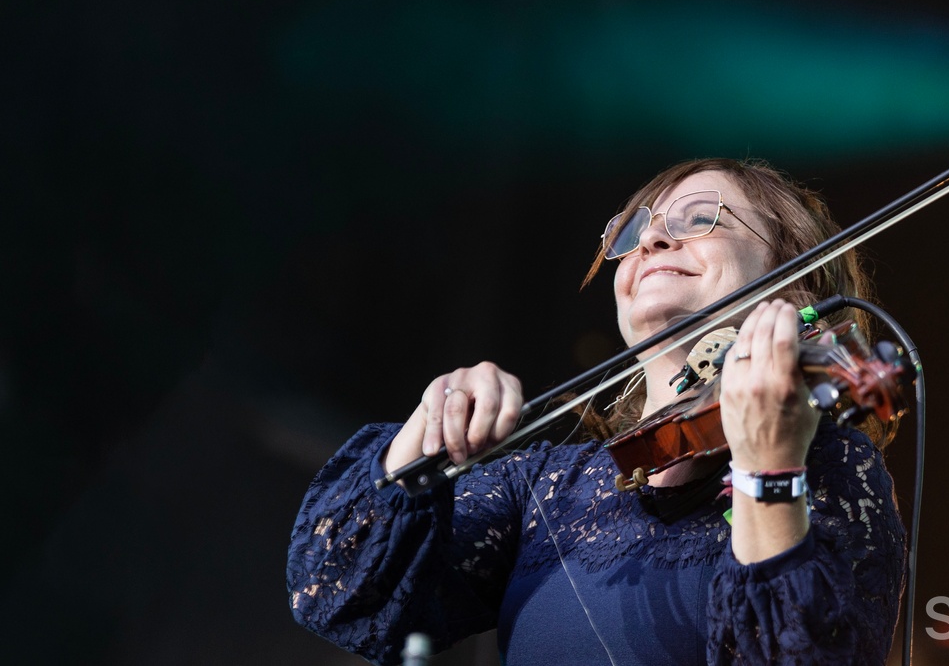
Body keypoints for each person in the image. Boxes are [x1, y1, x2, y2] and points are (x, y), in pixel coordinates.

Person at [286, 159, 907, 665]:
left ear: (790, 286)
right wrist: (429, 427)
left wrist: (770, 470)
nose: (656, 239)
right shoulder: (549, 486)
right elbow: (339, 595)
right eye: (634, 234)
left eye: (701, 219)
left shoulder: (828, 470)